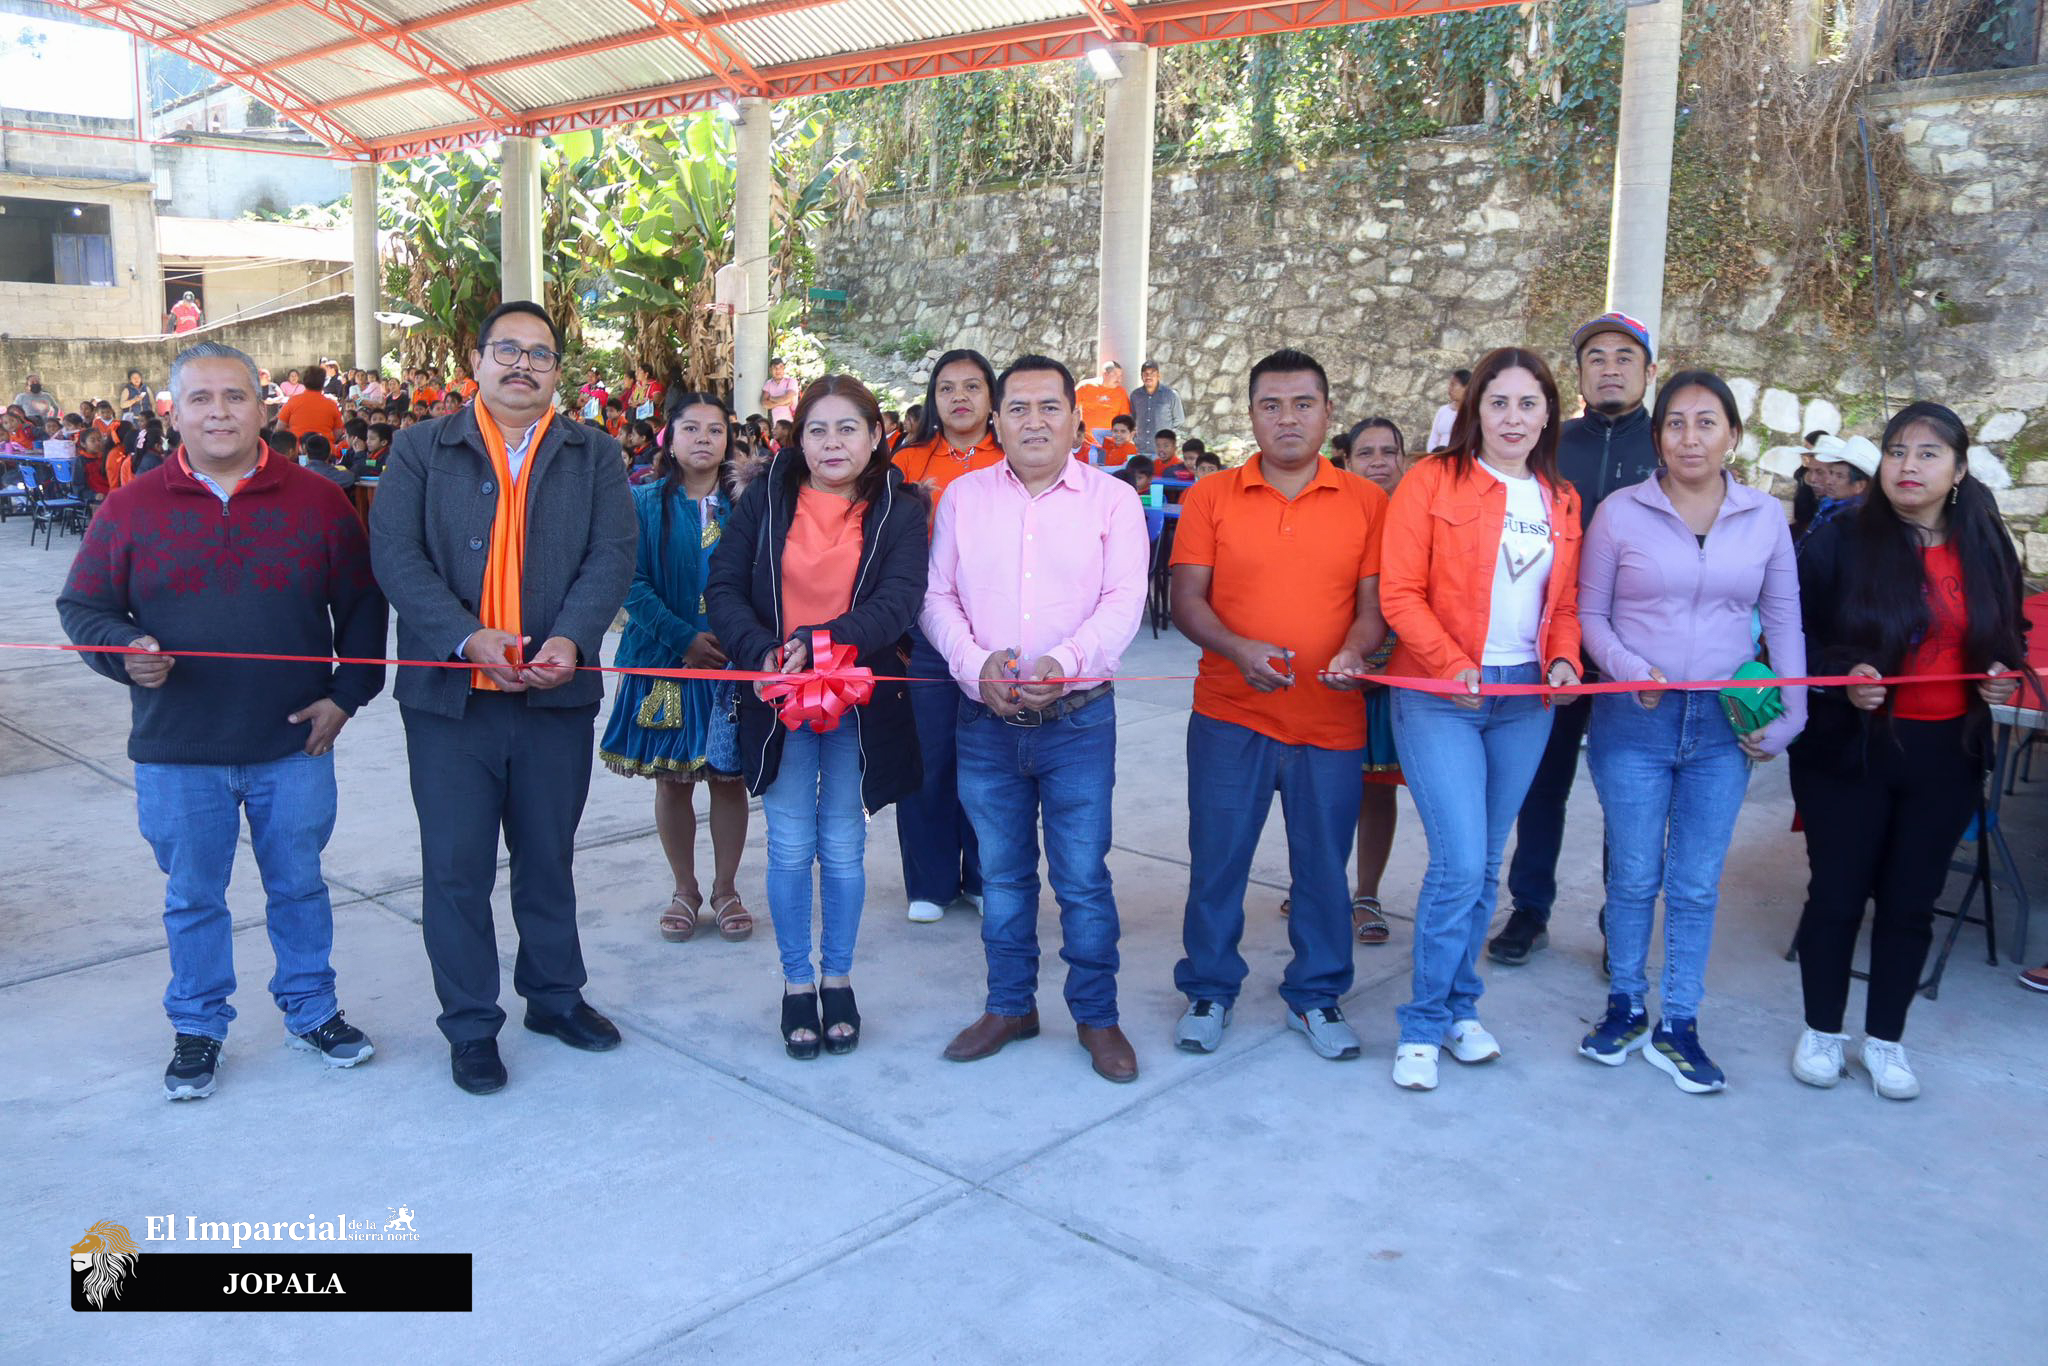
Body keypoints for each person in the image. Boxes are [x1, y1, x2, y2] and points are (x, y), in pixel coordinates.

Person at [56, 340, 389, 1100]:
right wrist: (122, 654)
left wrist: (347, 695)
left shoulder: (318, 501)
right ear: (174, 413)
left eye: (235, 396)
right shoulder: (130, 506)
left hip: (293, 741)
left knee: (299, 885)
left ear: (261, 409)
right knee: (193, 897)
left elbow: (364, 605)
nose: (218, 412)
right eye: (200, 398)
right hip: (177, 747)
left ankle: (312, 1010)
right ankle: (199, 1026)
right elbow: (83, 607)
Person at [370, 300, 636, 1096]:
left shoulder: (595, 454)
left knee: (548, 858)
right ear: (477, 362)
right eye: (508, 350)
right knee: (456, 868)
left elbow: (612, 555)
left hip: (554, 695)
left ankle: (554, 998)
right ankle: (470, 1025)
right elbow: (396, 554)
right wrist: (463, 635)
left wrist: (573, 640)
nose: (523, 365)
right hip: (451, 701)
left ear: (558, 371)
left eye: (540, 354)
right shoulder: (422, 447)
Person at [1788, 401, 2029, 1101]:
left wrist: (1998, 669)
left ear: (1959, 470)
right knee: (1836, 895)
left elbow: (2008, 629)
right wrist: (1844, 676)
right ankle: (1821, 1030)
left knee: (1910, 902)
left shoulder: (1985, 543)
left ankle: (1886, 1039)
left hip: (1947, 753)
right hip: (1849, 749)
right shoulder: (1839, 539)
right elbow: (1791, 634)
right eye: (1896, 451)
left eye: (1928, 453)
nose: (1908, 466)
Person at [1576, 370, 1807, 1094]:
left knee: (1697, 883)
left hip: (1723, 727)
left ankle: (1679, 1022)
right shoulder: (1620, 513)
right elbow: (1590, 615)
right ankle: (1624, 1005)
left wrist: (1794, 713)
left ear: (1733, 435)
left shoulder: (1764, 518)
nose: (1690, 437)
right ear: (1657, 437)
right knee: (1633, 874)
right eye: (1675, 423)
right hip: (1633, 718)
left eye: (1707, 422)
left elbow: (1785, 619)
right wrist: (1627, 668)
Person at [924, 354, 1149, 1082]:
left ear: (1078, 419)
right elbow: (936, 597)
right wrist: (974, 665)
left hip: (1079, 722)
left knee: (1082, 878)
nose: (1034, 422)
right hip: (986, 722)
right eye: (1017, 408)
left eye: (1050, 407)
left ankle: (1097, 1016)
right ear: (996, 421)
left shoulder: (1113, 501)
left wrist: (1068, 662)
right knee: (1003, 878)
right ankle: (1010, 1006)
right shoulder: (964, 497)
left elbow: (1124, 601)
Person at [1169, 349, 1390, 1062]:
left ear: (1328, 413)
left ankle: (1316, 995)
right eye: (1271, 405)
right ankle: (1209, 988)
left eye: (1302, 404)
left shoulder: (1367, 501)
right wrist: (1239, 649)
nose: (1287, 418)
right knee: (1218, 861)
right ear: (1251, 415)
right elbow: (1187, 599)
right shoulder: (1211, 496)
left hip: (1330, 720)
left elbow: (1373, 608)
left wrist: (1355, 652)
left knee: (1323, 870)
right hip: (1229, 713)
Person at [705, 375, 927, 1059]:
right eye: (817, 430)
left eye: (848, 428)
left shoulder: (899, 508)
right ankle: (797, 982)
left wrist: (824, 640)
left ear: (876, 435)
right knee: (790, 844)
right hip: (780, 697)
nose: (833, 443)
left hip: (860, 698)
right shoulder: (765, 498)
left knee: (844, 844)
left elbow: (900, 600)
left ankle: (839, 978)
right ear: (797, 439)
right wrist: (763, 650)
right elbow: (724, 587)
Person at [1381, 346, 1584, 1091]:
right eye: (1498, 402)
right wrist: (1448, 662)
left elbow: (1564, 605)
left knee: (1488, 864)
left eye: (1529, 404)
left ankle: (1461, 1007)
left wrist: (1564, 661)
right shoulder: (1432, 480)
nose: (1513, 418)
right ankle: (1422, 1024)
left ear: (1549, 414)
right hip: (1442, 695)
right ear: (1475, 411)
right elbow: (1400, 592)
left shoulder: (1562, 498)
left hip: (1524, 700)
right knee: (1460, 863)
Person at [1491, 311, 1657, 967]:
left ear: (1649, 370)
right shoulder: (1548, 445)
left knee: (1630, 792)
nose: (1610, 368)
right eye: (1596, 357)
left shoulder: (1667, 448)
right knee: (1542, 784)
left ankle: (1623, 921)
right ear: (1580, 373)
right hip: (1553, 643)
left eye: (1624, 356)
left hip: (1636, 652)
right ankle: (1530, 909)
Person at [599, 396, 752, 944]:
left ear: (729, 440)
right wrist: (683, 638)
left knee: (729, 780)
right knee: (673, 781)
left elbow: (764, 578)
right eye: (691, 428)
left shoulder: (748, 505)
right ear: (669, 437)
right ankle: (685, 889)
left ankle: (726, 889)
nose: (703, 438)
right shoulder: (640, 502)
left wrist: (740, 636)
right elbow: (628, 581)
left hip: (732, 662)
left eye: (715, 429)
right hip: (662, 661)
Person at [891, 349, 1003, 923]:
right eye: (947, 388)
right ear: (933, 400)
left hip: (998, 631)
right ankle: (930, 884)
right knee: (928, 758)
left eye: (972, 386)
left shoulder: (1014, 457)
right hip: (926, 631)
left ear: (992, 396)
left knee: (989, 761)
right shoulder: (908, 462)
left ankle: (985, 876)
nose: (959, 397)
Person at [1336, 417, 1409, 945]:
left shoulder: (1420, 518)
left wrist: (1395, 666)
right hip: (1333, 673)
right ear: (1347, 461)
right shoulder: (1331, 514)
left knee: (1376, 790)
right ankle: (1316, 882)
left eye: (1389, 451)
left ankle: (1366, 894)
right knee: (1317, 788)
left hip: (1394, 677)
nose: (1378, 462)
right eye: (1366, 453)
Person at [1798, 434, 1877, 549]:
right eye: (1831, 473)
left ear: (1859, 486)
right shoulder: (1829, 506)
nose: (1829, 481)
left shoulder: (1853, 521)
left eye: (1839, 476)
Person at [279, 361, 344, 446]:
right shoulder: (331, 405)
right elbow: (338, 431)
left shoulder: (292, 401)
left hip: (298, 448)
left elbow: (280, 428)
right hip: (325, 449)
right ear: (322, 382)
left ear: (304, 381)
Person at [1127, 360, 1185, 453]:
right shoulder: (1135, 395)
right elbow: (1133, 419)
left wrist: (1166, 436)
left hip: (1162, 451)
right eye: (1145, 373)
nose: (1148, 376)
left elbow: (1179, 420)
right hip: (1140, 449)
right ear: (1141, 376)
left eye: (1152, 373)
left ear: (1159, 376)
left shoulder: (1170, 395)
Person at [1075, 360, 1131, 444]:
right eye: (1115, 375)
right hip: (1087, 441)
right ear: (1105, 374)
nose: (1119, 379)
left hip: (1110, 442)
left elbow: (1124, 418)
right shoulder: (1085, 386)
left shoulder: (1121, 392)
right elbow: (1070, 408)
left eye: (1120, 375)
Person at [1427, 368, 1469, 453]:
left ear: (1466, 387)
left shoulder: (1472, 414)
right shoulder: (1443, 410)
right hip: (1438, 456)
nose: (1449, 388)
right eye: (1449, 385)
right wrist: (1433, 455)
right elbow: (1433, 438)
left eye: (1453, 385)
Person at [760, 357, 799, 427]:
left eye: (780, 367)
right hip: (777, 425)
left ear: (783, 368)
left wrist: (771, 398)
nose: (778, 370)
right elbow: (764, 403)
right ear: (770, 370)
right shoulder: (768, 384)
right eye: (775, 368)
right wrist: (782, 403)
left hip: (792, 423)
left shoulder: (791, 381)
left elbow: (787, 399)